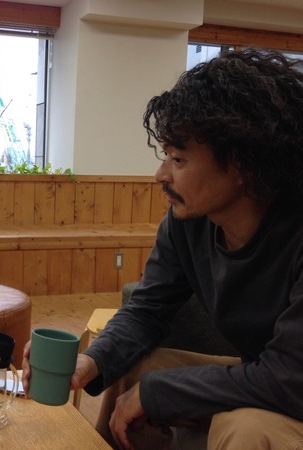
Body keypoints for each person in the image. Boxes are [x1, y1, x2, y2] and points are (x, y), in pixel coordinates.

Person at [23, 48, 303, 449]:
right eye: (165, 155)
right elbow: (147, 311)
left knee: (246, 426)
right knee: (138, 366)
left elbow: (290, 378)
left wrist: (158, 393)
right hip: (265, 374)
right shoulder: (188, 223)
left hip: (291, 387)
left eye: (178, 159)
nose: (160, 174)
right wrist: (90, 361)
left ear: (244, 165)